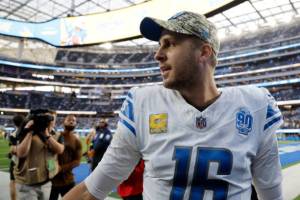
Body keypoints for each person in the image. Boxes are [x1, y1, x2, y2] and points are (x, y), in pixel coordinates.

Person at [64, 11, 283, 200]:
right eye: (160, 45)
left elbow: (271, 194)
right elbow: (91, 190)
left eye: (169, 44)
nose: (158, 55)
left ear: (204, 52)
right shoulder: (143, 104)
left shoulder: (255, 107)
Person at [13, 109, 64, 200]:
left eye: (52, 119)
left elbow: (60, 150)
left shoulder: (57, 135)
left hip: (47, 180)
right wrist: (30, 131)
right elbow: (21, 153)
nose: (49, 121)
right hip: (27, 183)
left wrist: (47, 135)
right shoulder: (26, 131)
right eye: (46, 118)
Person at [49, 114, 82, 200]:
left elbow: (77, 161)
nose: (71, 121)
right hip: (53, 179)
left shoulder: (77, 141)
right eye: (69, 120)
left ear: (76, 124)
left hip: (67, 180)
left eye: (73, 120)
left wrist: (61, 168)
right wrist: (52, 167)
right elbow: (48, 154)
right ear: (63, 123)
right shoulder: (55, 136)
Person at [8, 114, 25, 200]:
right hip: (26, 162)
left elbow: (12, 150)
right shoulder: (28, 133)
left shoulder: (13, 134)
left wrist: (10, 153)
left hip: (15, 161)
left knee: (12, 183)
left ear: (15, 124)